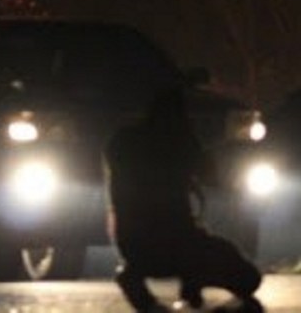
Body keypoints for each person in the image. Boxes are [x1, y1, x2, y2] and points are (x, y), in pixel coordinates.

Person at [103, 87, 263, 312]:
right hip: (178, 240)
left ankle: (147, 280)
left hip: (132, 243)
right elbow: (212, 178)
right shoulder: (181, 141)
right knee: (248, 278)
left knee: (187, 250)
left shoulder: (122, 141)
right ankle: (190, 281)